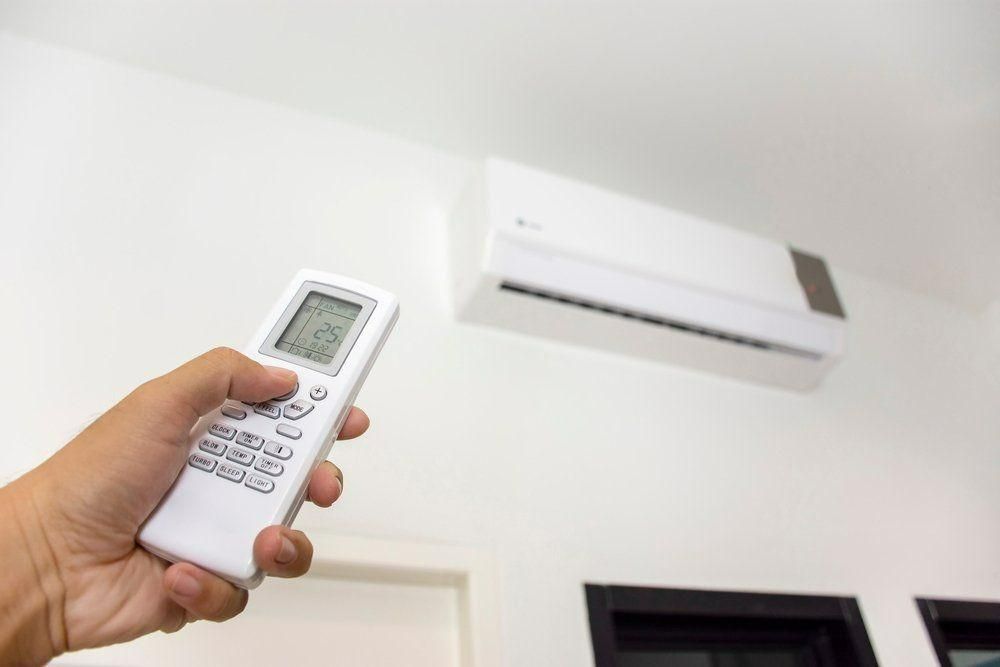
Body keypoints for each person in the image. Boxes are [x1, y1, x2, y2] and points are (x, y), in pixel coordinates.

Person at [0, 348, 370, 665]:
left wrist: (47, 568)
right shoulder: (254, 378)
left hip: (100, 571)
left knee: (294, 514)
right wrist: (46, 550)